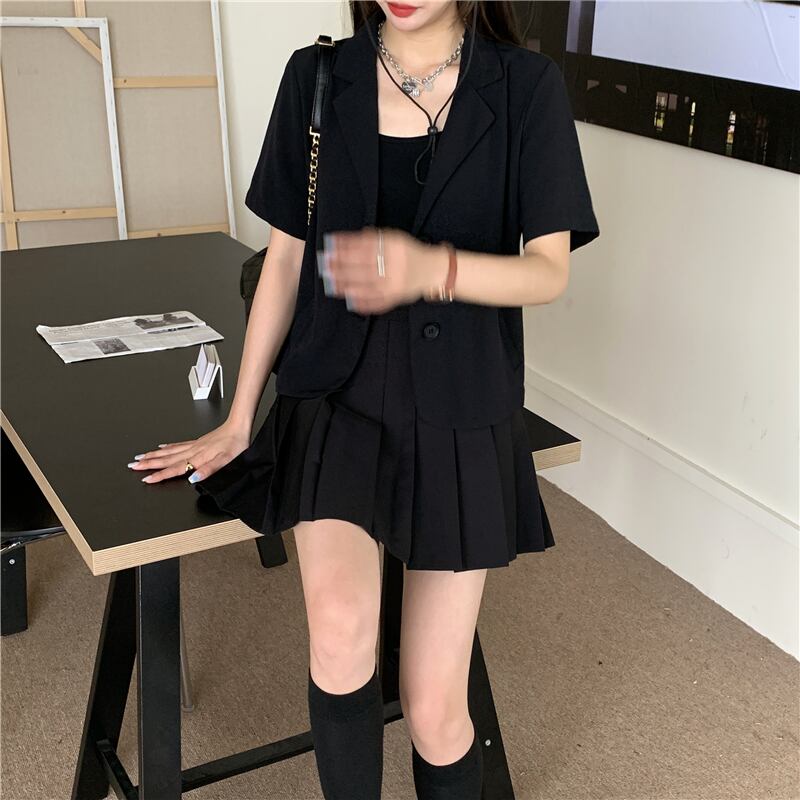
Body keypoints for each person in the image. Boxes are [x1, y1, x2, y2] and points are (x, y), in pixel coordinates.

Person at [130, 1, 600, 798]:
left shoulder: (528, 86)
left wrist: (429, 269)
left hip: (462, 405)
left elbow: (549, 270)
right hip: (334, 394)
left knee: (434, 707)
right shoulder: (317, 77)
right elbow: (286, 261)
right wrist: (242, 416)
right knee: (342, 634)